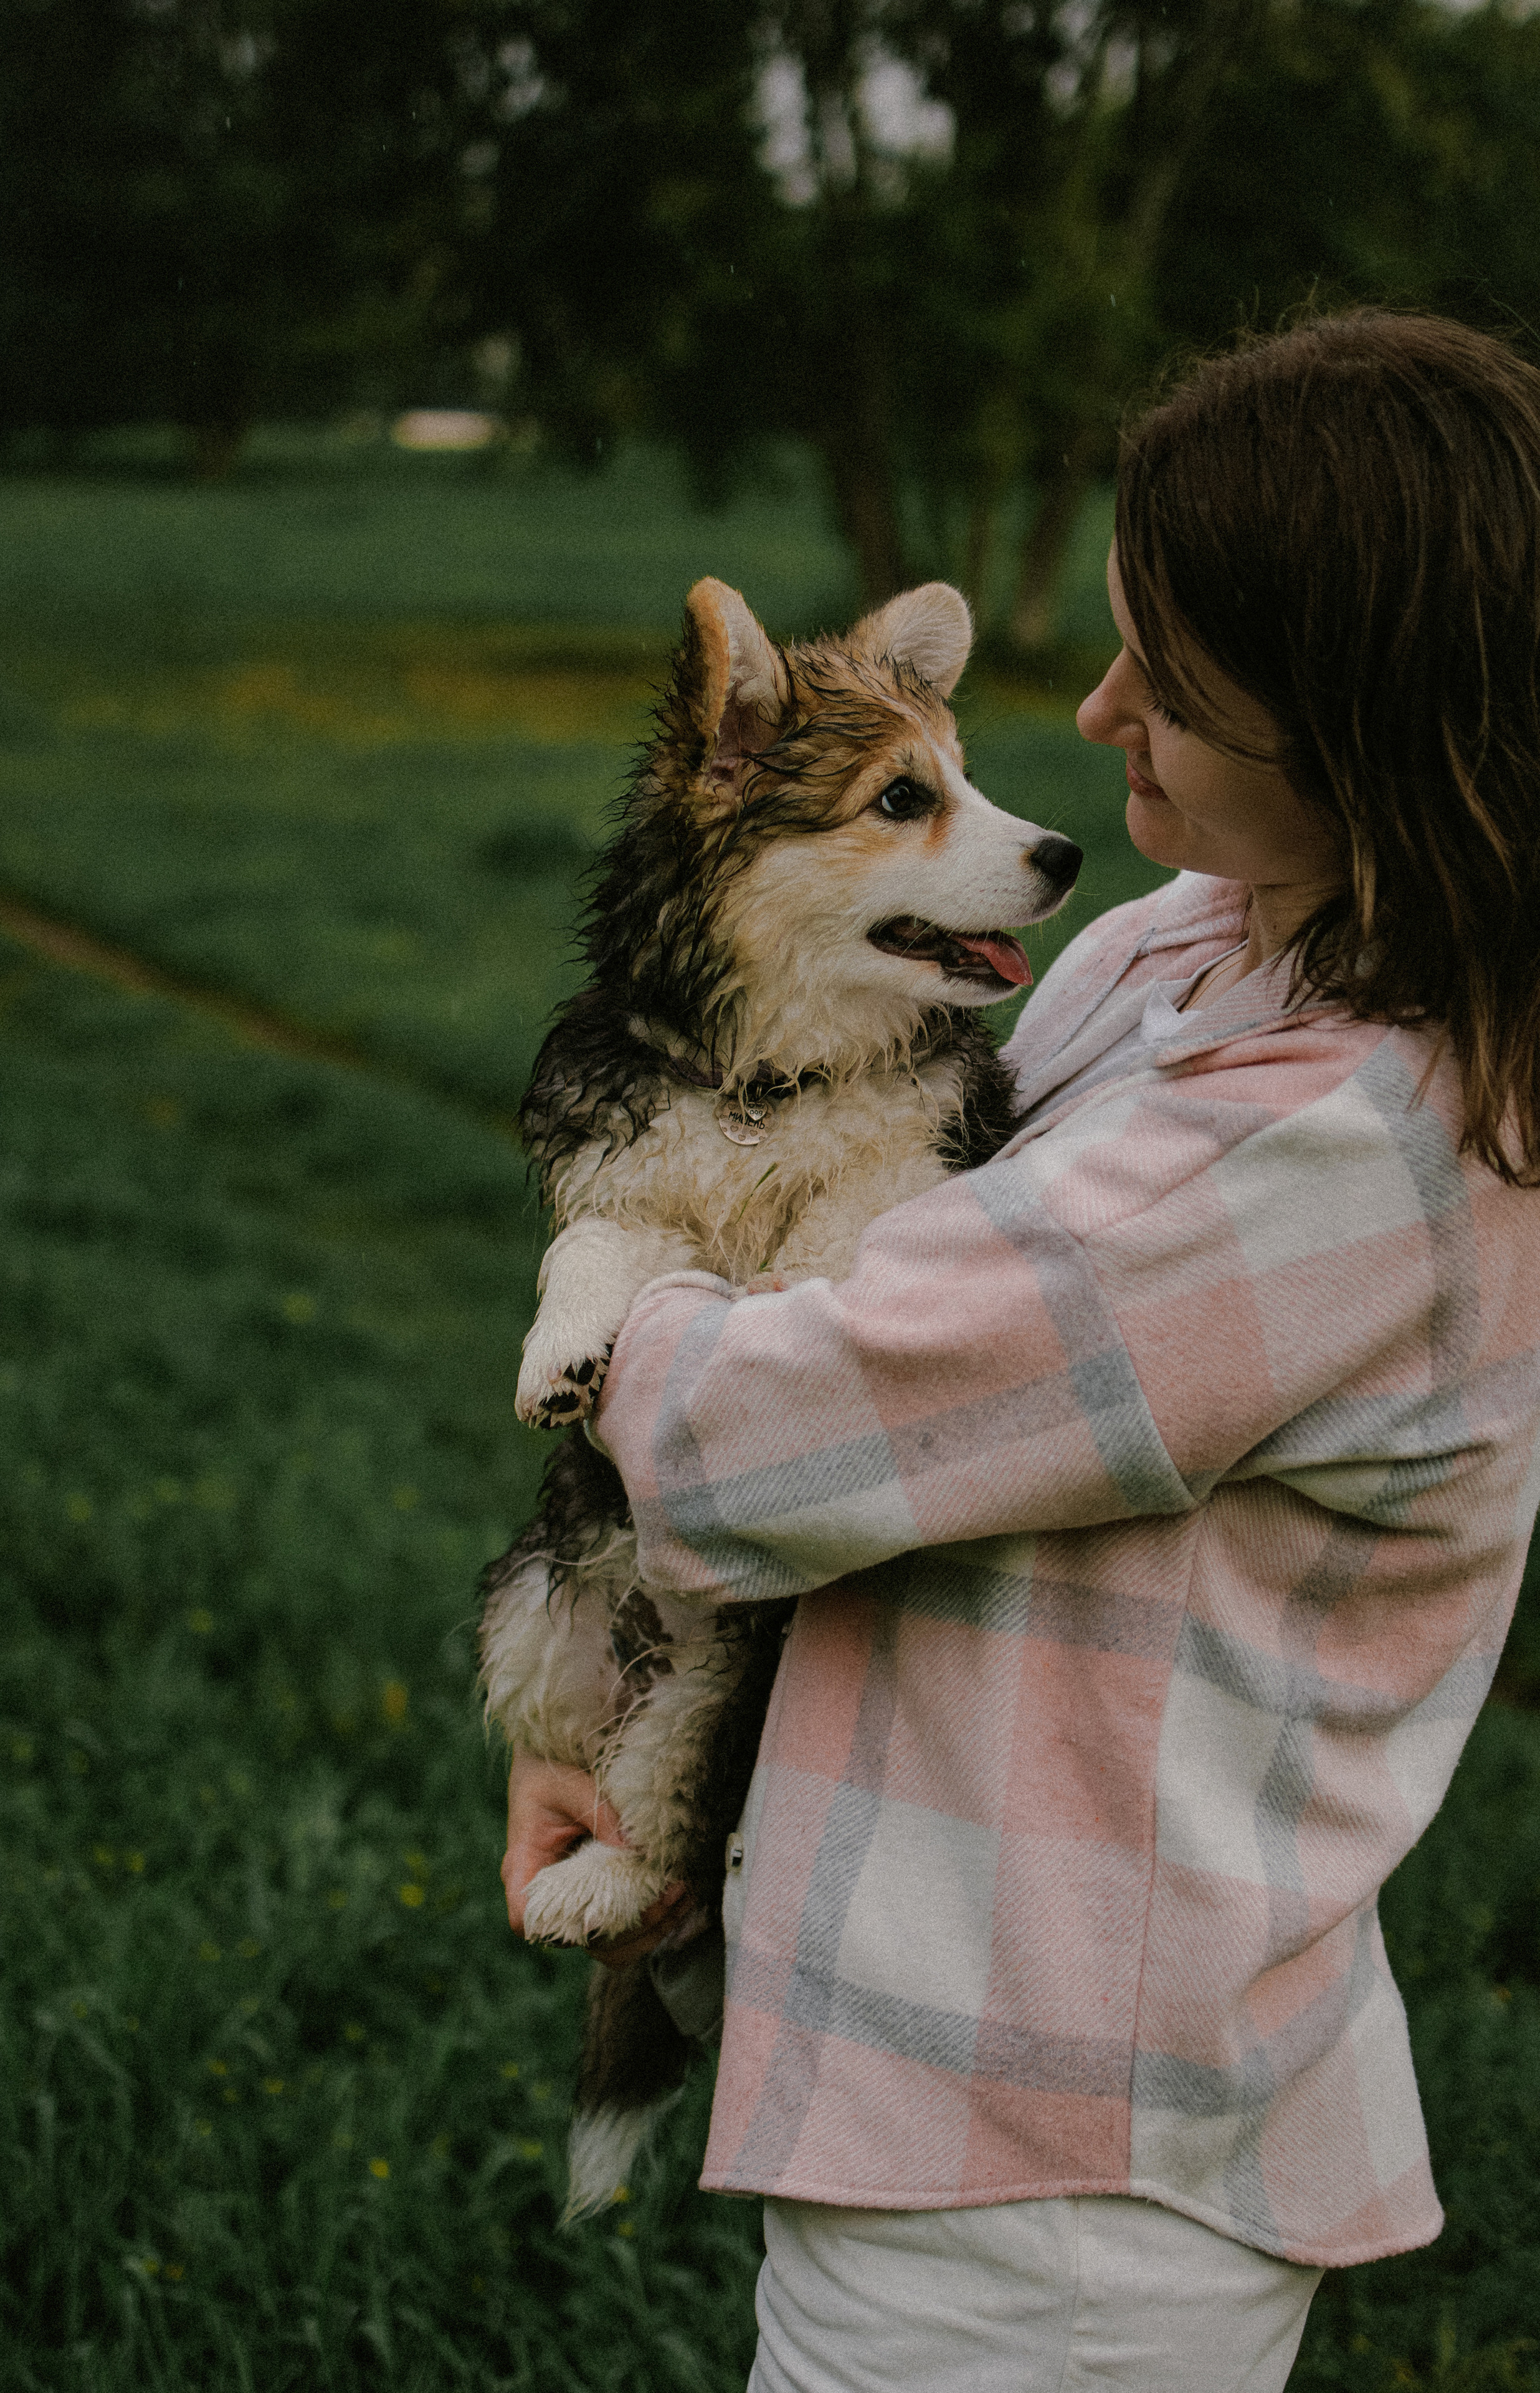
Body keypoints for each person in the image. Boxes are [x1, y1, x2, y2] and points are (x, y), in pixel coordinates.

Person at [501, 310, 1540, 2391]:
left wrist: (617, 1253)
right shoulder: (1180, 948)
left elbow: (773, 1427)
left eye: (1174, 675)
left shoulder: (1338, 1149)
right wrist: (609, 1713)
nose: (1096, 709)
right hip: (960, 2067)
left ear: (1355, 725)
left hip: (1052, 2171)